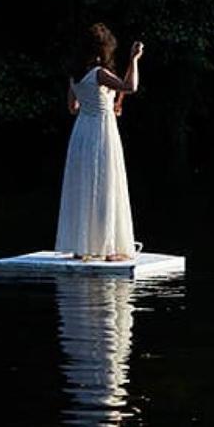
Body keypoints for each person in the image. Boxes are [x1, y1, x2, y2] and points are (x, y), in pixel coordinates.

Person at [55, 23, 144, 261]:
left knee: (84, 184)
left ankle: (81, 245)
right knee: (105, 182)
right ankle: (109, 248)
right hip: (102, 131)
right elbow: (130, 86)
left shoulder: (75, 75)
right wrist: (134, 59)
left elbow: (73, 108)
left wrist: (109, 101)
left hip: (81, 132)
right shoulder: (98, 73)